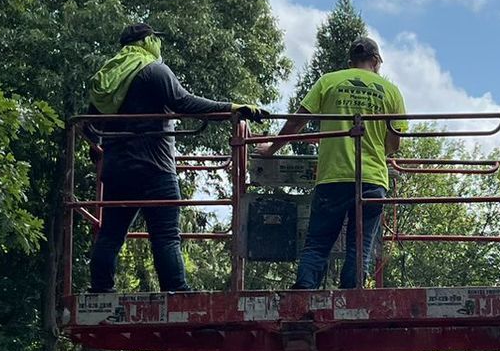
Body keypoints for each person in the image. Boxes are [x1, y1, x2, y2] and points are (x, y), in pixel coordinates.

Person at [85, 23, 268, 293]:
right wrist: (232, 108)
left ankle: (100, 290)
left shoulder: (108, 78)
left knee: (111, 234)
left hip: (117, 170)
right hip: (155, 168)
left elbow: (89, 125)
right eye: (155, 40)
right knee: (166, 236)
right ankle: (177, 290)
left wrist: (97, 149)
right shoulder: (152, 70)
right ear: (147, 41)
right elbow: (184, 102)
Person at [263, 36, 408, 289]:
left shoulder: (329, 81)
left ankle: (304, 295)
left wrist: (271, 149)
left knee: (318, 244)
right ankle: (351, 302)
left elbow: (296, 121)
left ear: (351, 62)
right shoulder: (391, 91)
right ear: (376, 62)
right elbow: (395, 144)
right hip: (372, 180)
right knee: (359, 248)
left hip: (333, 177)